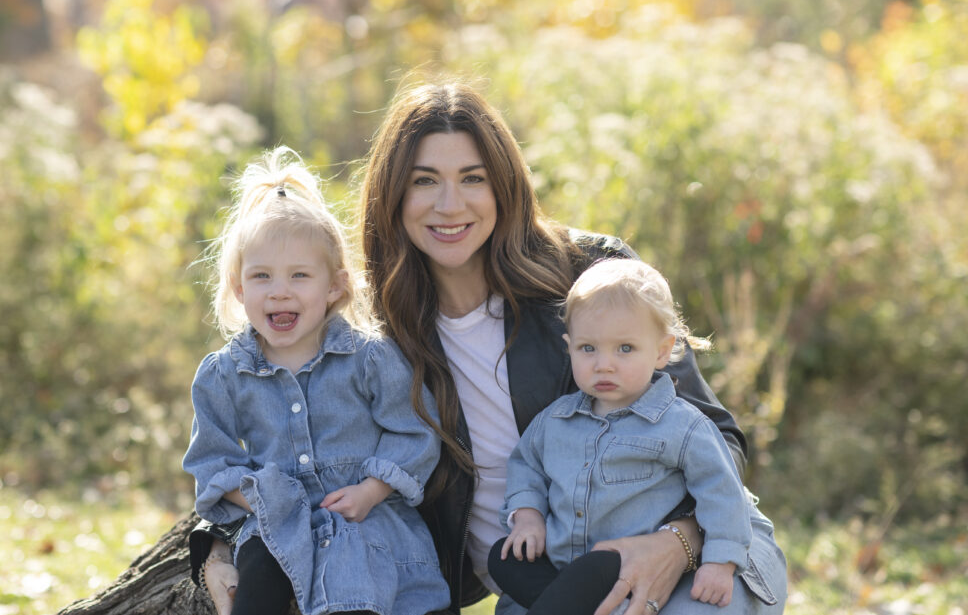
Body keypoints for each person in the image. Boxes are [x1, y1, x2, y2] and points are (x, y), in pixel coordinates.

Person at [191, 80, 787, 615]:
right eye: (425, 181)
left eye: (472, 179)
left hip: (700, 556)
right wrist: (219, 547)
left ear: (503, 187)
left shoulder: (594, 279)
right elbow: (290, 441)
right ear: (394, 195)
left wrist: (675, 544)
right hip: (543, 586)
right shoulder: (374, 336)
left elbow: (719, 440)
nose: (450, 205)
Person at [182, 147, 450, 615]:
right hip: (274, 529)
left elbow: (415, 430)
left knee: (358, 582)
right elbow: (211, 460)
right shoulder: (223, 375)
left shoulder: (369, 358)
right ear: (240, 289)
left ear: (334, 287)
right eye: (261, 276)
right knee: (260, 577)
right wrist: (260, 501)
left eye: (299, 276)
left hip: (362, 520)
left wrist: (372, 490)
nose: (279, 290)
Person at [488, 258, 754, 615]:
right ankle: (574, 605)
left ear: (661, 351)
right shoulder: (554, 421)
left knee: (596, 566)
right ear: (569, 347)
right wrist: (527, 514)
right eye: (588, 349)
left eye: (625, 348)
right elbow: (526, 465)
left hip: (625, 570)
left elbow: (722, 493)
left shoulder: (683, 427)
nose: (604, 364)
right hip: (559, 568)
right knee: (503, 558)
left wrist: (721, 563)